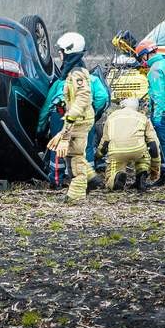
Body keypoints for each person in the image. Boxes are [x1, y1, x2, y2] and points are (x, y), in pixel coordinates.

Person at [47, 32, 95, 202]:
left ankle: (75, 195)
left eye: (61, 51)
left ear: (69, 51)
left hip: (78, 122)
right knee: (73, 154)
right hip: (78, 120)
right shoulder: (76, 72)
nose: (59, 54)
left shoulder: (76, 74)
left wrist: (70, 117)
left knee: (75, 159)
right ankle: (92, 179)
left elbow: (83, 97)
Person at [137, 40, 165, 183]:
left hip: (162, 112)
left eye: (141, 57)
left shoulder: (154, 70)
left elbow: (158, 95)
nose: (142, 60)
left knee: (161, 143)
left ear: (146, 55)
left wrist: (156, 116)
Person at [98, 98, 160, 191]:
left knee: (111, 174)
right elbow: (153, 144)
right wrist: (155, 169)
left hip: (117, 151)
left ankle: (115, 179)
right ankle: (141, 174)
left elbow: (105, 141)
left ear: (122, 106)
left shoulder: (111, 117)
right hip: (138, 150)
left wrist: (98, 154)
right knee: (144, 155)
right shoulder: (142, 117)